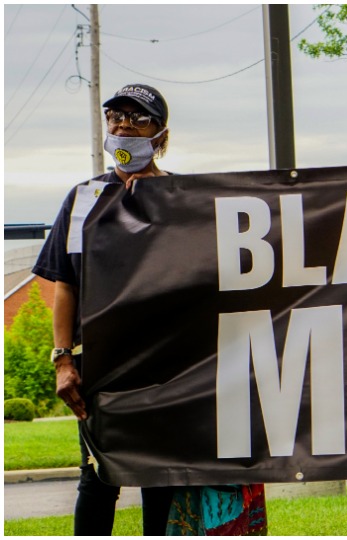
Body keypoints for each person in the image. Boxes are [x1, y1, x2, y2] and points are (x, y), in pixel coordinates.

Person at [33, 83, 176, 536]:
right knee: (98, 480)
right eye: (115, 118)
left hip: (170, 366)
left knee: (161, 479)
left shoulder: (187, 198)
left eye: (138, 119)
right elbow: (64, 283)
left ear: (161, 136)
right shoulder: (82, 200)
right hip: (100, 367)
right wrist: (62, 359)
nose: (123, 126)